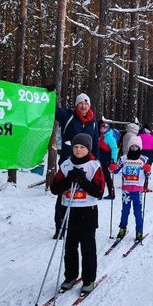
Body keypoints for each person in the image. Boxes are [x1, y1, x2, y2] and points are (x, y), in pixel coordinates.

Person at [50, 133, 105, 293]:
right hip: (70, 210)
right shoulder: (66, 166)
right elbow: (55, 189)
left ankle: (89, 279)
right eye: (76, 147)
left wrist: (82, 180)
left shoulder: (94, 166)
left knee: (88, 247)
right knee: (70, 246)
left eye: (82, 147)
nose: (78, 150)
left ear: (88, 148)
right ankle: (71, 276)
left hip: (88, 211)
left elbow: (99, 192)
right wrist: (68, 180)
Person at [53, 93, 99, 238]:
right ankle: (60, 227)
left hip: (87, 165)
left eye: (86, 104)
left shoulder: (93, 123)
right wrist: (50, 94)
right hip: (68, 162)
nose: (83, 106)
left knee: (83, 195)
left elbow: (95, 142)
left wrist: (97, 162)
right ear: (76, 105)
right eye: (80, 103)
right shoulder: (68, 116)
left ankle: (81, 225)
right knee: (63, 194)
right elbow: (52, 109)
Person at [109, 136, 151, 241]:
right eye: (132, 146)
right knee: (125, 211)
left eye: (136, 146)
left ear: (139, 147)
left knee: (137, 211)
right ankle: (122, 228)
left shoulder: (143, 159)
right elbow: (115, 170)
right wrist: (112, 167)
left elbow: (148, 174)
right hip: (126, 189)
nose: (134, 148)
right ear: (129, 147)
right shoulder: (123, 158)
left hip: (138, 190)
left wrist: (147, 170)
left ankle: (139, 231)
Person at [97, 120, 119, 200]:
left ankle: (110, 193)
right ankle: (103, 193)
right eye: (101, 127)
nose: (103, 129)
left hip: (107, 160)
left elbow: (114, 149)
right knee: (102, 177)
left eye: (105, 127)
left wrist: (113, 160)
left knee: (106, 177)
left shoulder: (109, 137)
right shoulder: (102, 137)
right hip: (101, 160)